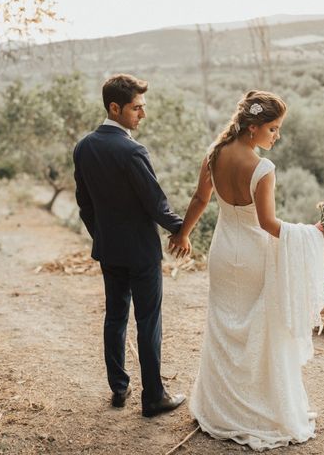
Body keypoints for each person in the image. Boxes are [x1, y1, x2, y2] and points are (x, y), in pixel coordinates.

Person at [169, 90, 324, 450]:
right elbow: (270, 225)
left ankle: (222, 408)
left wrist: (183, 233)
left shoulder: (214, 153)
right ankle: (254, 409)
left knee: (225, 328)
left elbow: (200, 199)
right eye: (273, 129)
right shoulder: (262, 169)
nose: (277, 136)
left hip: (223, 254)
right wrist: (313, 232)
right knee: (257, 329)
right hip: (254, 257)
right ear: (253, 128)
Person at [73, 73, 185, 417]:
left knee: (115, 317)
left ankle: (119, 390)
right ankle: (153, 397)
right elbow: (156, 205)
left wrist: (102, 235)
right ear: (115, 107)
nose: (143, 115)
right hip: (140, 252)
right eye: (137, 108)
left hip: (109, 249)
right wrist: (184, 228)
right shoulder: (132, 150)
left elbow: (84, 204)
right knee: (148, 320)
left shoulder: (84, 147)